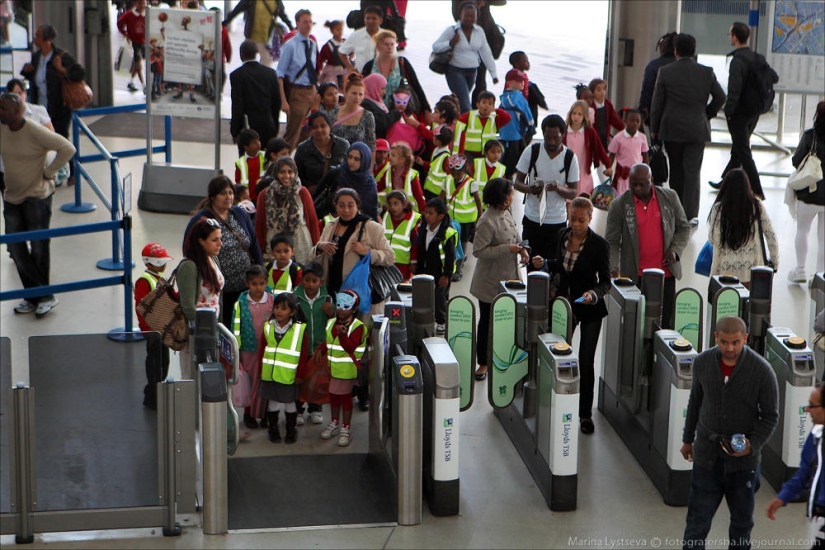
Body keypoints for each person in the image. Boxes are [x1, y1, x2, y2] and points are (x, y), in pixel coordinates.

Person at [681, 315, 779, 550]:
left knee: (741, 529)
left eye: (736, 342)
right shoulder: (703, 362)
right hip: (706, 459)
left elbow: (770, 417)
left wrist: (751, 444)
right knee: (696, 525)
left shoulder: (762, 371)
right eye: (724, 342)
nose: (730, 348)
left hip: (743, 467)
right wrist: (687, 439)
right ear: (716, 337)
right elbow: (695, 402)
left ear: (745, 338)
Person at [530, 197, 610, 434]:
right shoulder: (561, 236)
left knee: (585, 362)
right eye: (573, 219)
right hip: (564, 306)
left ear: (590, 217)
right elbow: (561, 266)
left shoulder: (599, 245)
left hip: (589, 309)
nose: (575, 224)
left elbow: (606, 282)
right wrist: (545, 263)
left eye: (581, 220)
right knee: (557, 356)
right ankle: (555, 403)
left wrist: (593, 294)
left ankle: (584, 414)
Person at [0, 92, 75, 317]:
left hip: (37, 197)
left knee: (39, 248)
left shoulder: (34, 131)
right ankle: (37, 296)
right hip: (12, 197)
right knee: (15, 247)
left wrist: (49, 172)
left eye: (3, 108)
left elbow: (67, 149)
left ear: (16, 111)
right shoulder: (2, 128)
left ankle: (43, 296)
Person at [650, 33, 726, 225]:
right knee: (692, 173)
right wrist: (706, 113)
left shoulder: (666, 72)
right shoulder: (706, 72)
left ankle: (676, 213)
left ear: (676, 50)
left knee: (676, 171)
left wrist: (654, 127)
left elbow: (657, 103)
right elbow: (720, 97)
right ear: (693, 51)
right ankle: (690, 215)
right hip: (696, 130)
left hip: (672, 129)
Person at [605, 164, 690, 330]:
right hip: (635, 276)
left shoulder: (669, 197)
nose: (637, 188)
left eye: (642, 184)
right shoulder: (619, 205)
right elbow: (612, 241)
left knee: (664, 325)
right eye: (633, 184)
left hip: (665, 274)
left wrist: (675, 250)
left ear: (651, 180)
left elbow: (684, 228)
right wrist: (613, 266)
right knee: (635, 326)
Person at [709, 22, 778, 200]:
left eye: (730, 34)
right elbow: (774, 77)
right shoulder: (757, 58)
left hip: (739, 113)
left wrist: (729, 111)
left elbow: (734, 90)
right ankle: (725, 181)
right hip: (754, 112)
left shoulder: (737, 61)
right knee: (738, 148)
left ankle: (757, 190)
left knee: (743, 151)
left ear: (735, 37)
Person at [184, 176, 263, 328]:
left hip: (245, 288)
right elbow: (189, 250)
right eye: (223, 193)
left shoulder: (240, 214)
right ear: (213, 196)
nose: (228, 197)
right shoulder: (201, 220)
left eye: (230, 193)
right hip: (219, 292)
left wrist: (260, 272)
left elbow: (253, 243)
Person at [470, 177, 529, 381]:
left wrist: (522, 249)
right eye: (511, 193)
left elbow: (515, 234)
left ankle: (505, 356)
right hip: (490, 282)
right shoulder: (487, 220)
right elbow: (478, 251)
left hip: (510, 278)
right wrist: (507, 249)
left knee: (507, 319)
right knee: (487, 322)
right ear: (503, 197)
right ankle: (483, 362)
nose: (513, 197)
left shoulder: (507, 212)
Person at [20, 24, 86, 187]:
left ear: (47, 40)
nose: (35, 38)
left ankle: (72, 172)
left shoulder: (61, 56)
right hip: (42, 107)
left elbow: (80, 73)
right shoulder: (36, 57)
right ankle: (49, 172)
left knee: (61, 138)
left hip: (60, 107)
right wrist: (26, 70)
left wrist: (61, 69)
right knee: (42, 140)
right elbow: (36, 79)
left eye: (38, 35)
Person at [313, 188, 395, 313]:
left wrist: (367, 252)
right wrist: (320, 247)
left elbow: (390, 257)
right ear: (336, 206)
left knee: (360, 331)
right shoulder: (330, 226)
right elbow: (315, 258)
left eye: (350, 206)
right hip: (334, 291)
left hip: (361, 295)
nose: (346, 210)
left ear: (357, 206)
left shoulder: (371, 227)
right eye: (341, 205)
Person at [513, 114, 580, 264]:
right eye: (547, 137)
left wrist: (558, 189)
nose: (551, 142)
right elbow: (517, 182)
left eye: (556, 138)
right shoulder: (531, 152)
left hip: (557, 222)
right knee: (531, 264)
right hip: (532, 219)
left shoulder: (570, 157)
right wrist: (530, 189)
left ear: (563, 135)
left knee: (553, 267)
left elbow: (574, 192)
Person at [766, 381, 825, 547]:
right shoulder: (816, 435)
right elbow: (804, 473)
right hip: (818, 516)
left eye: (812, 406)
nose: (807, 409)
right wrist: (782, 497)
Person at [708, 168, 779, 287]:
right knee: (750, 305)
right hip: (752, 272)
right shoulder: (756, 206)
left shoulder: (718, 208)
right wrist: (774, 263)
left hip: (725, 273)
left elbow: (712, 239)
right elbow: (771, 235)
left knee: (728, 305)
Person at [178, 217, 225, 379]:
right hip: (196, 335)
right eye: (214, 240)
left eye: (220, 238)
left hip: (212, 330)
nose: (220, 244)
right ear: (201, 241)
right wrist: (203, 330)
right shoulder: (189, 267)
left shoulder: (213, 259)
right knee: (193, 377)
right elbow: (188, 306)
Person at [320, 289, 368, 446]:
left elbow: (350, 348)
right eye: (338, 305)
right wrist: (321, 349)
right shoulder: (331, 323)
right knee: (334, 397)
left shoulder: (358, 327)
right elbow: (328, 341)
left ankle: (345, 428)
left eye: (345, 306)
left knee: (345, 398)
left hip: (347, 371)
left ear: (354, 309)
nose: (340, 309)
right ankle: (335, 422)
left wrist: (342, 336)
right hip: (332, 370)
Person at [432, 2, 498, 114]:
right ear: (460, 15)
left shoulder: (479, 32)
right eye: (466, 16)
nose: (469, 19)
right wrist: (450, 43)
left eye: (472, 16)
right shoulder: (452, 30)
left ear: (477, 17)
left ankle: (451, 119)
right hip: (455, 71)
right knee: (465, 105)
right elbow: (436, 46)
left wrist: (494, 74)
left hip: (472, 72)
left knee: (460, 102)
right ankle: (467, 129)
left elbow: (486, 53)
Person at [260, 292, 308, 445]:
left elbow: (303, 354)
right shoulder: (268, 327)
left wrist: (301, 374)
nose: (279, 311)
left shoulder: (300, 330)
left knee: (289, 403)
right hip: (270, 374)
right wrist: (262, 370)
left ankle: (290, 429)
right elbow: (263, 350)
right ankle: (273, 429)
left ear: (292, 312)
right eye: (276, 307)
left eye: (284, 308)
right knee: (272, 401)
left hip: (289, 376)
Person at [255, 156, 319, 266]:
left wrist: (317, 249)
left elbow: (313, 222)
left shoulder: (302, 192)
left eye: (290, 172)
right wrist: (258, 252)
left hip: (300, 245)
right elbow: (260, 224)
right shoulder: (265, 194)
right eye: (282, 172)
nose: (287, 176)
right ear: (276, 173)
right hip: (275, 244)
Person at [232, 264, 273, 429]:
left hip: (268, 349)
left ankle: (265, 414)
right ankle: (249, 414)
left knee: (266, 381)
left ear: (267, 282)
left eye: (262, 283)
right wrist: (238, 350)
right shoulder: (240, 303)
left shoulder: (272, 300)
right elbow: (236, 328)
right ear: (247, 283)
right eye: (254, 284)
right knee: (250, 382)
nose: (258, 287)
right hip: (248, 350)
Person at [788, 101, 825, 283]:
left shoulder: (811, 136)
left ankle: (800, 270)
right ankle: (820, 276)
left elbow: (796, 161)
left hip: (809, 193)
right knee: (823, 238)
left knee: (803, 230)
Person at [294, 262, 334, 426]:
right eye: (307, 280)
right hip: (300, 348)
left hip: (319, 348)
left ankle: (315, 409)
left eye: (314, 281)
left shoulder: (328, 299)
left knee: (317, 380)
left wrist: (331, 313)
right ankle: (298, 410)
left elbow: (334, 323)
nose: (310, 284)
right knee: (299, 379)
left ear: (321, 282)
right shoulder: (295, 298)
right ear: (301, 280)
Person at [134, 243, 174, 410]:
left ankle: (155, 393)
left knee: (163, 362)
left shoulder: (160, 278)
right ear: (148, 263)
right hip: (153, 332)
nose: (163, 265)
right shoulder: (145, 281)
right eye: (159, 262)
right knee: (155, 364)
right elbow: (141, 306)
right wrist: (148, 330)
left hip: (162, 330)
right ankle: (152, 396)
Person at [361, 30, 431, 118]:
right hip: (376, 113)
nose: (389, 47)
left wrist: (426, 109)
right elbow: (361, 88)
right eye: (386, 44)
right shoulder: (369, 66)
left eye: (392, 44)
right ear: (378, 46)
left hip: (400, 113)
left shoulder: (402, 63)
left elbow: (416, 85)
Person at [230, 40, 281, 159]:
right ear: (257, 53)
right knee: (265, 162)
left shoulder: (237, 75)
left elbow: (237, 105)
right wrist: (275, 126)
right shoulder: (271, 73)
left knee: (246, 163)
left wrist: (235, 131)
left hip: (247, 128)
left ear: (241, 54)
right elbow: (276, 102)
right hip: (267, 125)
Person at [276, 9, 319, 151]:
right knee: (292, 133)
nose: (308, 25)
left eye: (310, 22)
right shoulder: (290, 45)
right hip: (297, 91)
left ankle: (295, 160)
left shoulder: (312, 44)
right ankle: (282, 163)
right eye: (305, 21)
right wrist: (284, 101)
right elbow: (280, 74)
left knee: (309, 130)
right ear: (298, 24)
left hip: (311, 90)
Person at [414, 197, 458, 334]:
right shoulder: (423, 228)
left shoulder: (447, 233)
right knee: (425, 295)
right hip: (425, 268)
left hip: (441, 271)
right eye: (426, 212)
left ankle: (441, 321)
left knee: (440, 297)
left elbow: (450, 256)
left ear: (440, 216)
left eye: (430, 213)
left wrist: (447, 275)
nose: (427, 216)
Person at [315, 142, 380, 222]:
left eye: (356, 159)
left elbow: (371, 213)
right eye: (349, 157)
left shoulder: (369, 184)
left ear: (365, 161)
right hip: (332, 224)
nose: (351, 161)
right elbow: (316, 196)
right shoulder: (336, 174)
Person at [442, 153, 481, 282]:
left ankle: (458, 270)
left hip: (466, 221)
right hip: (451, 220)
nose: (455, 176)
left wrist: (479, 217)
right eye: (453, 173)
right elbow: (441, 197)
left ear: (464, 170)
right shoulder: (447, 180)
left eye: (458, 173)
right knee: (451, 243)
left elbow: (478, 201)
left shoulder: (471, 183)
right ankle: (455, 262)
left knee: (461, 245)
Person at [562, 100, 611, 196]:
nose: (576, 117)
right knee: (568, 201)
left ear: (584, 116)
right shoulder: (564, 130)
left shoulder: (589, 132)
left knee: (584, 199)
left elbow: (599, 149)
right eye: (574, 113)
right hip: (567, 172)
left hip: (584, 171)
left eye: (580, 114)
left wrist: (608, 165)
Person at [294, 111, 349, 195]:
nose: (319, 130)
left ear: (330, 126)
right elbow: (297, 177)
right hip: (312, 198)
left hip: (338, 197)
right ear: (310, 129)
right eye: (315, 127)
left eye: (323, 126)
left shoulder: (342, 146)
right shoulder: (303, 149)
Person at [224, 0, 293, 66]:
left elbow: (282, 14)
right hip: (251, 37)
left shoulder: (276, 1)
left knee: (267, 60)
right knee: (248, 61)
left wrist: (291, 27)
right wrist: (225, 23)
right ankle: (249, 76)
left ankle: (259, 76)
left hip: (266, 38)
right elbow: (237, 10)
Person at [454, 90, 511, 162]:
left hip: (487, 154)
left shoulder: (495, 119)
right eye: (484, 102)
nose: (486, 105)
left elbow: (508, 118)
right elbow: (457, 123)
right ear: (478, 104)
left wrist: (496, 110)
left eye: (490, 104)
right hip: (469, 153)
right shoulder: (469, 116)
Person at [499, 71, 534, 178]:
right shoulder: (518, 97)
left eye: (523, 81)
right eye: (519, 81)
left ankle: (505, 173)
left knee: (508, 154)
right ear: (509, 83)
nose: (522, 83)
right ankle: (508, 174)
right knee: (515, 154)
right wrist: (531, 127)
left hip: (506, 132)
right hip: (515, 133)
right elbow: (527, 113)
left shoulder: (504, 98)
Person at [607, 109, 650, 196]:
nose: (635, 123)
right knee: (622, 196)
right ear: (625, 120)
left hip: (638, 174)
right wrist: (608, 167)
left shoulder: (642, 137)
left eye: (637, 121)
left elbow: (645, 155)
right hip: (623, 175)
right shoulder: (618, 138)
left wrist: (648, 171)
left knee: (637, 196)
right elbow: (612, 155)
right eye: (632, 120)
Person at [638, 32, 677, 124]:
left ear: (661, 47)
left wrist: (643, 112)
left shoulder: (653, 66)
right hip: (681, 119)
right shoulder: (685, 67)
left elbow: (647, 91)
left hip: (657, 118)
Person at [331, 73, 376, 153]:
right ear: (345, 93)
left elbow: (371, 145)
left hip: (358, 160)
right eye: (354, 93)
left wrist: (370, 165)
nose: (357, 97)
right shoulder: (333, 112)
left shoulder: (367, 116)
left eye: (360, 94)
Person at [377, 142, 426, 213]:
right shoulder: (388, 172)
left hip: (408, 211)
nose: (389, 157)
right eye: (390, 154)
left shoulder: (411, 175)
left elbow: (419, 196)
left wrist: (423, 213)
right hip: (392, 210)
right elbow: (379, 186)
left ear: (402, 159)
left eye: (393, 155)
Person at [383, 190, 420, 281]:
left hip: (403, 264)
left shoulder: (413, 219)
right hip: (386, 262)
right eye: (390, 204)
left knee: (402, 289)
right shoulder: (386, 216)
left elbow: (415, 244)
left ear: (404, 204)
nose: (393, 207)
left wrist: (413, 263)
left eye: (396, 204)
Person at [337, 5, 383, 73]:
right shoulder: (356, 35)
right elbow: (341, 52)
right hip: (362, 77)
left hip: (382, 77)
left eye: (374, 18)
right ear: (364, 20)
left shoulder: (386, 36)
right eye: (368, 18)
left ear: (380, 20)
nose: (370, 21)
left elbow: (394, 58)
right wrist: (350, 67)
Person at [588, 78, 625, 156]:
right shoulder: (590, 105)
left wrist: (624, 128)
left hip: (604, 137)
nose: (602, 92)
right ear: (592, 92)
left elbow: (614, 119)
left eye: (604, 89)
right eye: (598, 90)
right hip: (593, 137)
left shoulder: (607, 104)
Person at [117, 0, 146, 93]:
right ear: (136, 4)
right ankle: (144, 85)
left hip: (144, 42)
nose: (142, 6)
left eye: (144, 4)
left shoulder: (147, 14)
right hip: (134, 42)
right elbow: (119, 23)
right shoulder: (129, 15)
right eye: (140, 4)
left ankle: (131, 82)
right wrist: (125, 34)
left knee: (138, 63)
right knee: (139, 64)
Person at [234, 128, 266, 203]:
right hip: (248, 200)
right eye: (254, 142)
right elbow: (238, 182)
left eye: (258, 140)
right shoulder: (240, 163)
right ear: (246, 147)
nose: (258, 144)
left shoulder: (265, 157)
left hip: (263, 198)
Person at [422, 126, 454, 200]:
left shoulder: (446, 158)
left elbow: (450, 177)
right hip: (429, 189)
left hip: (437, 193)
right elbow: (434, 166)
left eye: (434, 136)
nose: (433, 137)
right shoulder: (436, 150)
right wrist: (423, 163)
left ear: (439, 141)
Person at [361, 73, 394, 140]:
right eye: (382, 89)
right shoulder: (365, 103)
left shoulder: (377, 102)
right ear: (374, 87)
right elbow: (380, 122)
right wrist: (396, 114)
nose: (384, 92)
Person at [318, 20, 347, 87]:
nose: (340, 32)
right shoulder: (327, 46)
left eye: (341, 29)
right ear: (332, 31)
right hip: (332, 71)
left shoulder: (346, 43)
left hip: (344, 70)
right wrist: (319, 71)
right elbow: (320, 59)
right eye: (338, 29)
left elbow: (352, 53)